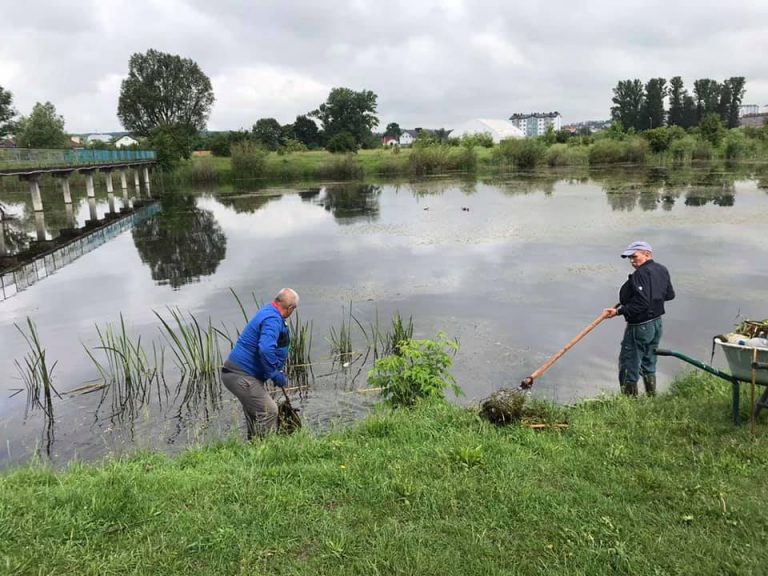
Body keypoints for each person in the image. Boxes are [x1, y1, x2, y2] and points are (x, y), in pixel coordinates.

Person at [221, 288, 299, 439]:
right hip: (241, 375)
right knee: (269, 411)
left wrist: (275, 369)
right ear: (290, 309)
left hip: (237, 374)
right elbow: (265, 349)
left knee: (255, 413)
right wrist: (275, 373)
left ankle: (253, 447)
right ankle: (266, 453)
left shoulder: (268, 311)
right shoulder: (273, 320)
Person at [603, 241, 675, 397]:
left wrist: (618, 311)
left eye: (634, 257)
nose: (631, 261)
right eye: (629, 258)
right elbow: (669, 295)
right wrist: (653, 297)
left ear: (647, 254)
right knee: (649, 361)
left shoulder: (640, 274)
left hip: (640, 327)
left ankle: (630, 405)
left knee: (629, 363)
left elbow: (642, 303)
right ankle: (651, 396)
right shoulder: (661, 270)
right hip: (656, 324)